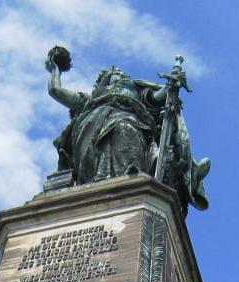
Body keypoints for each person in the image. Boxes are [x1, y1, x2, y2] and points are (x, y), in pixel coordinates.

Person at [46, 55, 209, 212]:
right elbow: (55, 90)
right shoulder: (88, 100)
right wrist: (55, 70)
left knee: (125, 128)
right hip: (89, 131)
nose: (121, 76)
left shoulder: (137, 95)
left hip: (131, 125)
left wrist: (170, 86)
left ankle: (134, 178)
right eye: (115, 74)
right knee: (121, 127)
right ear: (103, 82)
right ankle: (125, 182)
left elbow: (158, 96)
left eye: (123, 74)